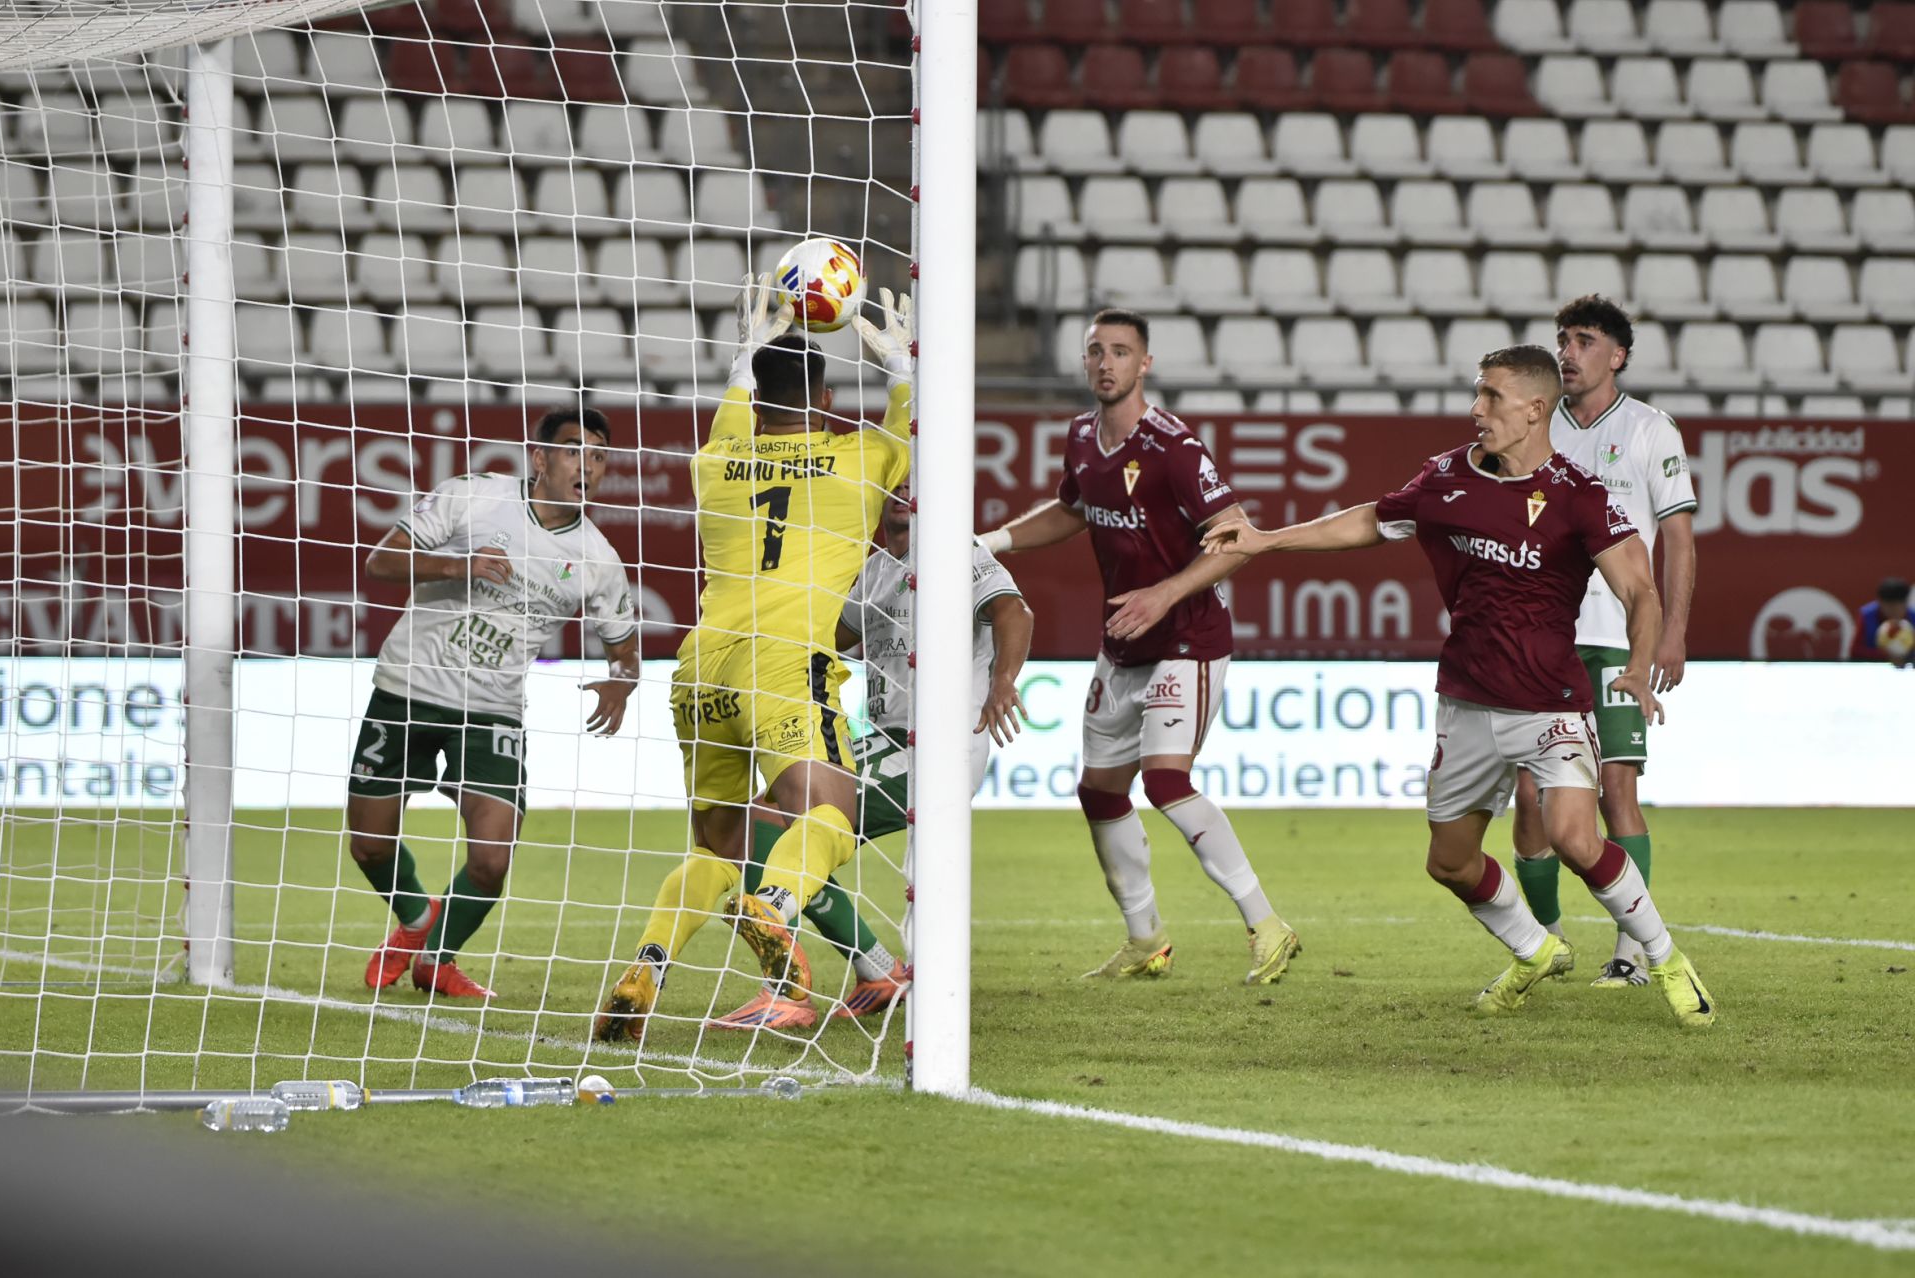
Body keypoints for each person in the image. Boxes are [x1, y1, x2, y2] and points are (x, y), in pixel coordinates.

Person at [1203, 345, 1716, 1028]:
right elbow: (1368, 519)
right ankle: (1533, 948)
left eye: (1492, 397)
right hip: (1466, 707)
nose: (1477, 410)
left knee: (1574, 837)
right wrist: (1267, 541)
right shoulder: (1446, 478)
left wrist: (1637, 660)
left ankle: (1665, 957)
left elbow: (1639, 591)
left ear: (1535, 410)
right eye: (1477, 394)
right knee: (1449, 863)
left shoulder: (1577, 494)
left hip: (1551, 706)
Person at [593, 278, 913, 1045]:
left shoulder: (716, 463)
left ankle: (651, 959)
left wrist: (744, 354)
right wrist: (903, 365)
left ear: (756, 400)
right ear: (828, 396)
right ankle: (776, 903)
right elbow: (916, 430)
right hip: (784, 667)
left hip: (702, 671)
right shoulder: (861, 460)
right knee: (828, 814)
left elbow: (734, 411)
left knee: (713, 845)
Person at [980, 307, 1300, 987]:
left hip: (1187, 641)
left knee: (1163, 780)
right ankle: (1145, 938)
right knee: (1099, 791)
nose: (1106, 363)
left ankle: (1267, 924)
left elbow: (1237, 537)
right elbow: (1073, 508)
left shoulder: (1173, 448)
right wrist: (993, 542)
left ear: (1144, 364)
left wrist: (1165, 593)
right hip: (1121, 645)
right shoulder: (1080, 437)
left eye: (1121, 352)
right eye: (1096, 351)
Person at [709, 482, 1035, 1030]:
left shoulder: (958, 553)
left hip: (941, 742)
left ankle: (780, 966)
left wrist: (1003, 681)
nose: (905, 495)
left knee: (787, 823)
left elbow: (1013, 612)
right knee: (753, 825)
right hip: (883, 739)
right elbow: (828, 640)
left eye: (916, 485)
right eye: (897, 485)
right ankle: (875, 968)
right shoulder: (877, 567)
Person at [349, 408, 639, 1000]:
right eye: (572, 451)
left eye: (600, 456)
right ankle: (417, 918)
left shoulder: (599, 559)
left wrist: (620, 683)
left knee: (491, 859)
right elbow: (379, 563)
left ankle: (437, 958)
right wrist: (462, 565)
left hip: (492, 711)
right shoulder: (470, 497)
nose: (588, 465)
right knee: (370, 845)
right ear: (540, 459)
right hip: (407, 688)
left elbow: (625, 649)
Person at [1507, 297, 1698, 987]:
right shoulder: (1532, 426)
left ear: (1616, 355)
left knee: (1617, 790)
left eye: (1583, 340)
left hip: (1619, 638)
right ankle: (1548, 940)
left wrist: (1671, 632)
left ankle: (1630, 949)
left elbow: (1676, 536)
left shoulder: (1651, 430)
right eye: (1561, 339)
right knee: (1530, 798)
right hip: (1543, 639)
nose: (1567, 351)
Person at [1852, 578, 1913, 667]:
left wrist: (1907, 655)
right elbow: (1855, 651)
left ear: (1905, 603)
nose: (1894, 611)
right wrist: (1885, 655)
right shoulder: (1867, 616)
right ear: (1880, 603)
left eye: (1897, 606)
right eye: (1889, 606)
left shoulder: (1913, 617)